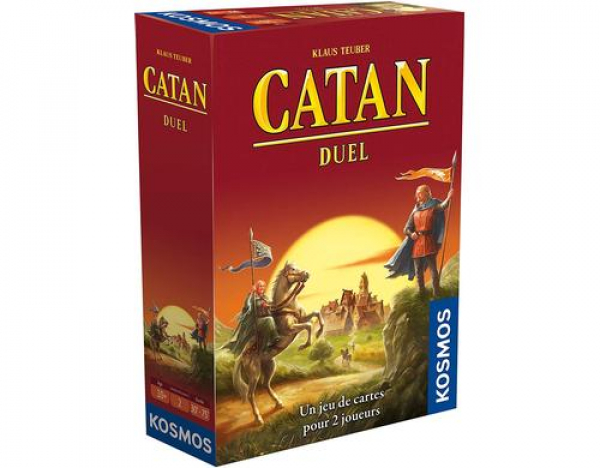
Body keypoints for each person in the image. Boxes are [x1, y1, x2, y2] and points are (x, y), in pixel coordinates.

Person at [385, 185, 453, 296]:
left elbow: (443, 206)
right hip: (417, 245)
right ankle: (422, 293)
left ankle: (436, 292)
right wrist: (411, 234)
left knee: (433, 269)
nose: (417, 195)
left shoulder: (433, 207)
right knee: (418, 271)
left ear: (427, 193)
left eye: (420, 193)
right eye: (417, 193)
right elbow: (406, 228)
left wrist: (448, 197)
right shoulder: (415, 210)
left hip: (429, 242)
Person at [223, 280, 280, 356]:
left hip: (263, 320)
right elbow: (247, 306)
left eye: (263, 286)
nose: (262, 288)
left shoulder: (265, 297)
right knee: (269, 320)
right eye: (260, 286)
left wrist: (268, 306)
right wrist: (252, 294)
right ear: (256, 287)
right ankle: (274, 337)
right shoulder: (251, 297)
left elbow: (270, 304)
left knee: (271, 320)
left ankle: (266, 346)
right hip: (254, 322)